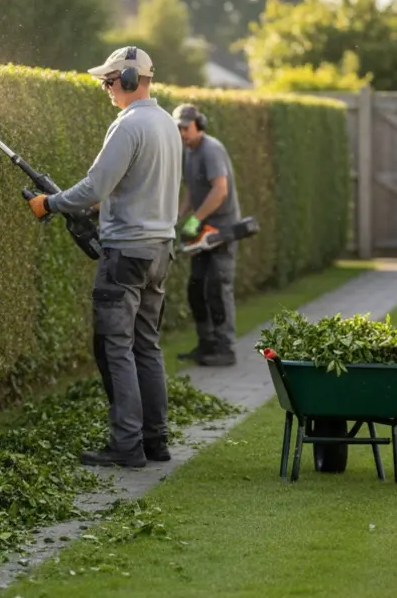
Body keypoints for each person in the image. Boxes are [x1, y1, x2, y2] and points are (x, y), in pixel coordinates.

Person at [27, 46, 182, 469]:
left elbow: (96, 185)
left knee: (116, 347)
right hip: (160, 250)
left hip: (127, 252)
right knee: (146, 346)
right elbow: (133, 187)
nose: (106, 89)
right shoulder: (167, 124)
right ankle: (155, 441)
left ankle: (127, 446)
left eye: (109, 81)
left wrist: (51, 203)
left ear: (130, 80)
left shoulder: (128, 125)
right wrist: (97, 209)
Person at [172, 103, 241, 367]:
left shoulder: (211, 150)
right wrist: (178, 218)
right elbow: (191, 190)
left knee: (217, 287)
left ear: (199, 125)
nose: (181, 133)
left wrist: (195, 219)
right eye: (178, 128)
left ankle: (226, 348)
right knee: (196, 286)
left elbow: (220, 190)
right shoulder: (188, 153)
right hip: (201, 231)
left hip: (222, 230)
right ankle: (206, 344)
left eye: (185, 128)